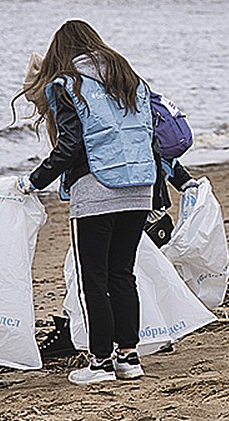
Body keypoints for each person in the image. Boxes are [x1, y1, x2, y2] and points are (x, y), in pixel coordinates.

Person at [15, 20, 156, 384]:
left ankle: (100, 363)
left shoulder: (67, 85)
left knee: (93, 280)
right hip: (139, 186)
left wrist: (34, 181)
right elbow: (149, 135)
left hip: (96, 193)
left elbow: (69, 146)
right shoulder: (129, 79)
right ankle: (129, 357)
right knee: (122, 274)